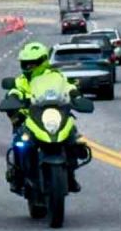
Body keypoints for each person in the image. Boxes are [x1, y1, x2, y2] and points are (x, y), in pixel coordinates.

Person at [4, 42, 82, 194]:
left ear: (43, 62)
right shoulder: (21, 80)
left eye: (32, 64)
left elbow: (68, 87)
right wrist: (12, 99)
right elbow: (15, 90)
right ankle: (18, 175)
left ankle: (70, 174)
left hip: (55, 116)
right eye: (25, 65)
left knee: (73, 136)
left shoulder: (56, 76)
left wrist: (76, 96)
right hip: (29, 117)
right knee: (20, 142)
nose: (28, 68)